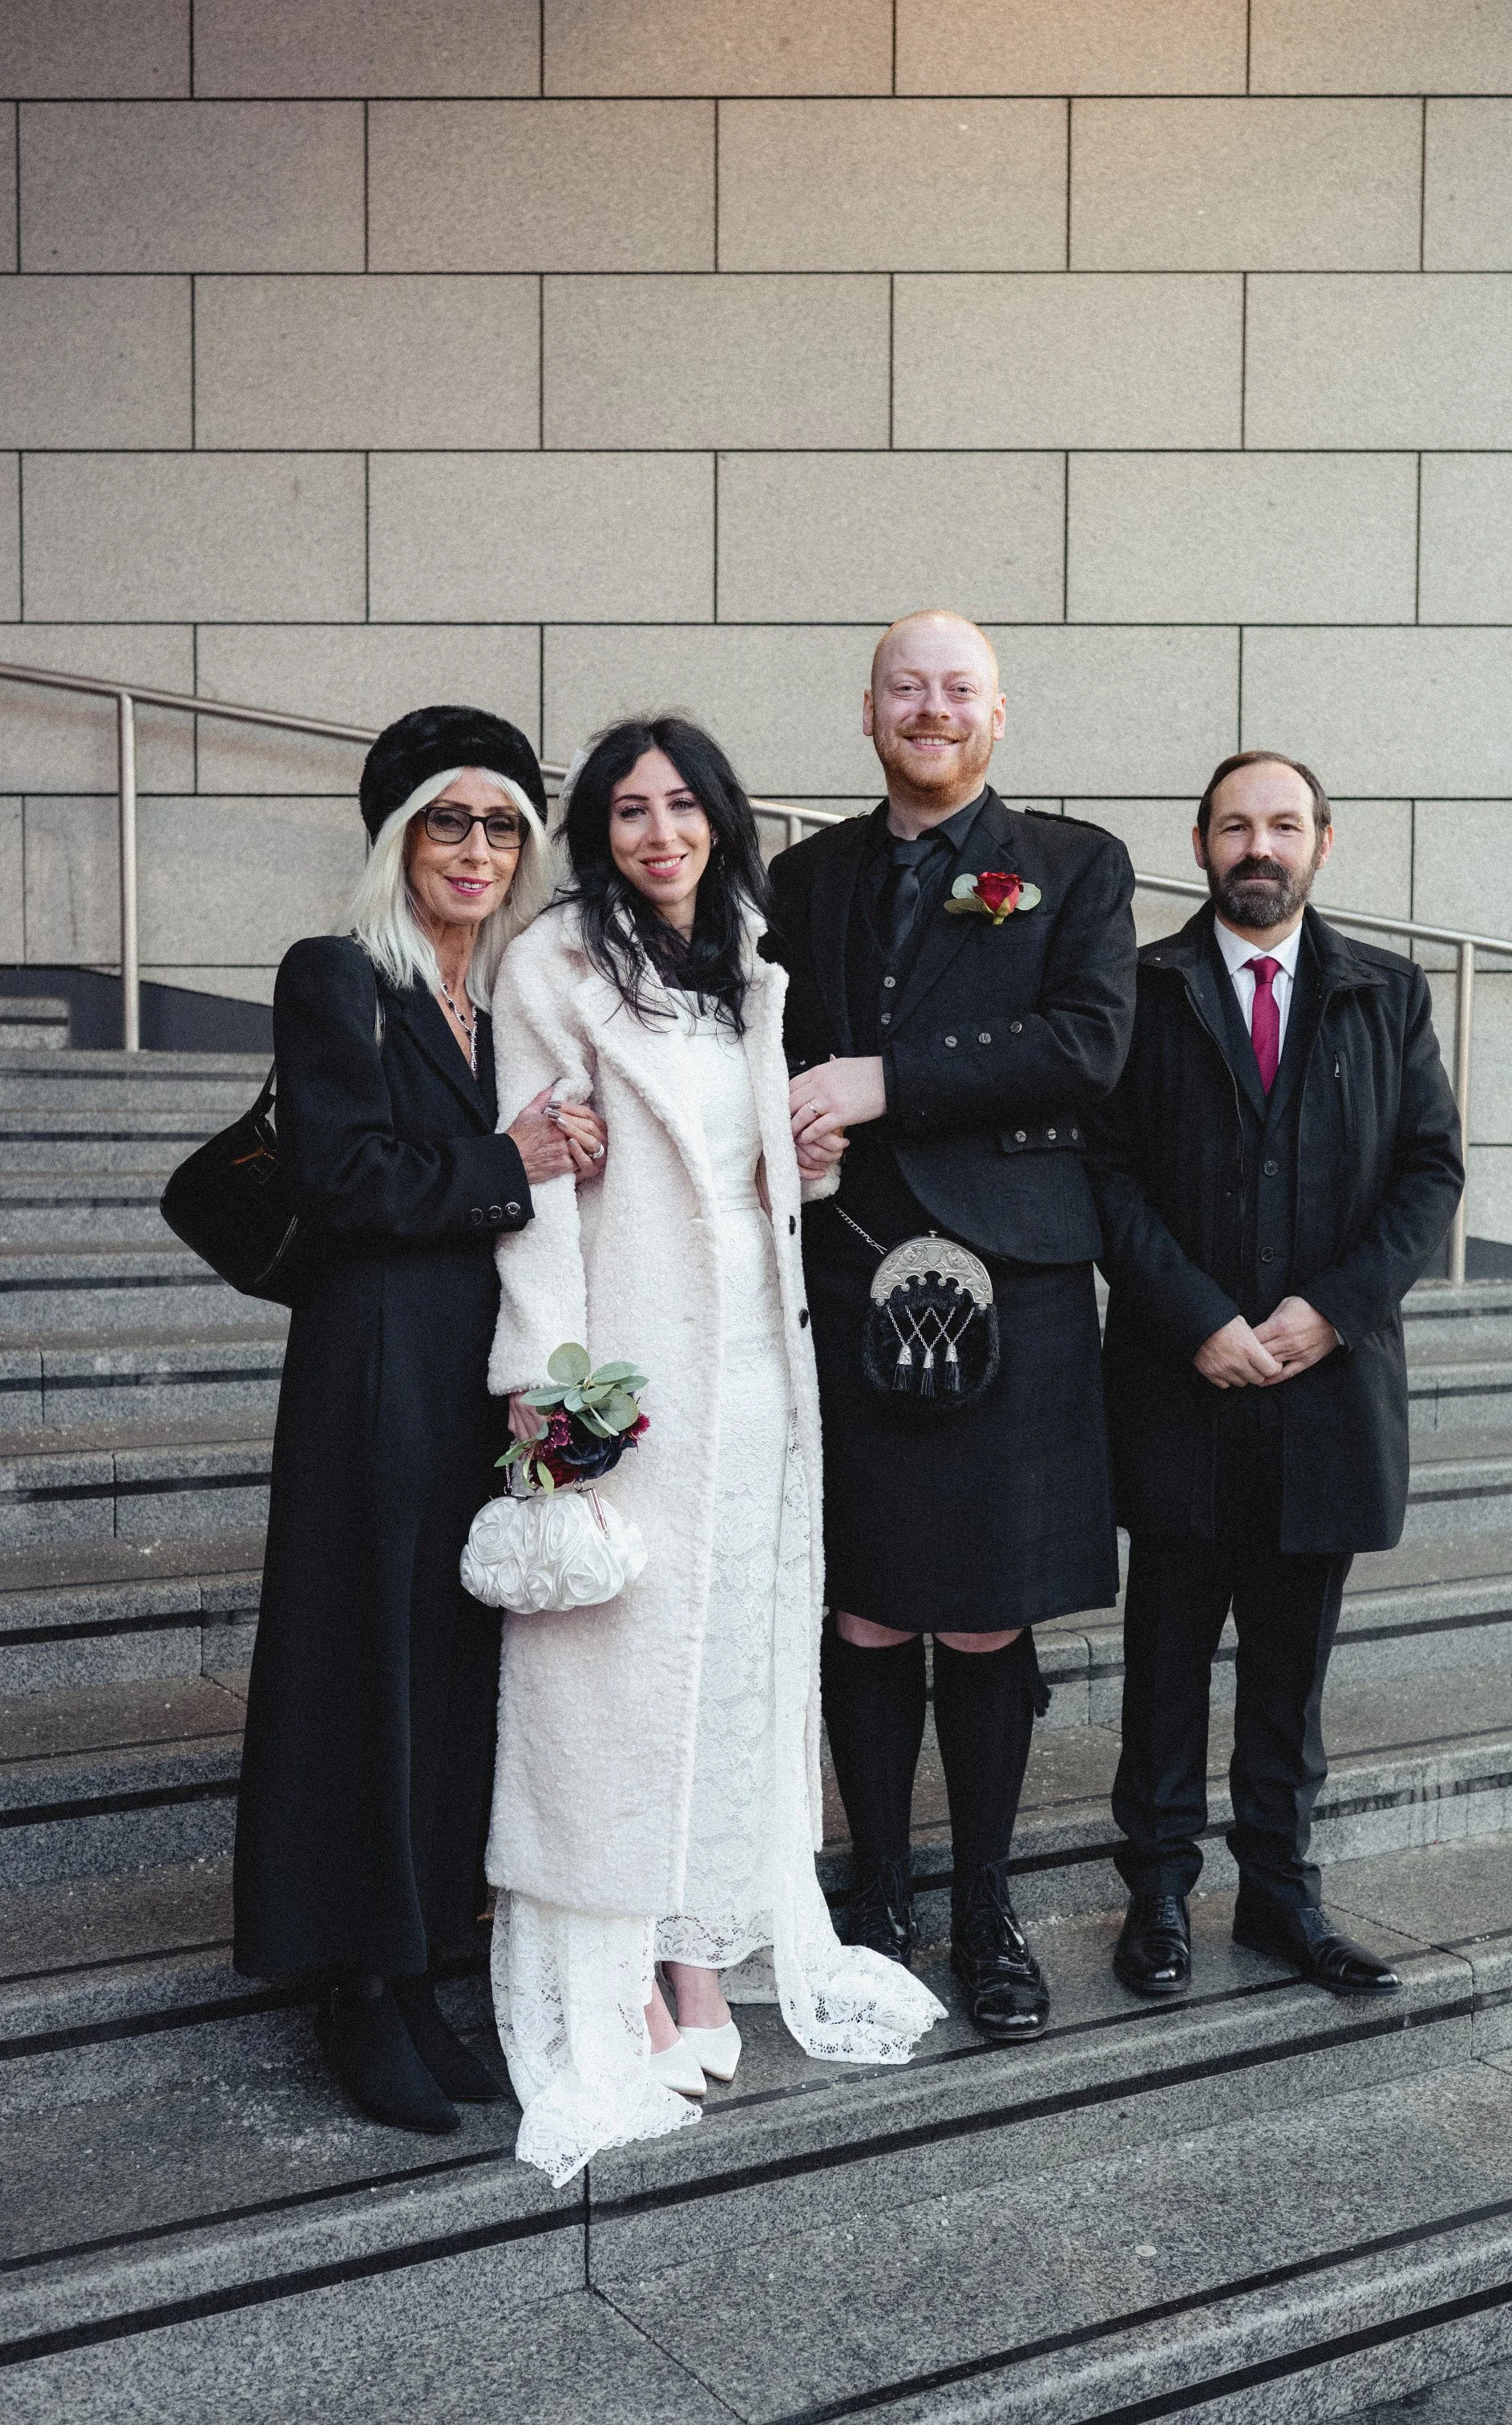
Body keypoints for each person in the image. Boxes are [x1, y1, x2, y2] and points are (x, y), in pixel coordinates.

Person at [483, 714, 943, 2184]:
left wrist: (802, 1158)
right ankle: (614, 1960)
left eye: (683, 806)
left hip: (758, 1352)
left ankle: (701, 1956)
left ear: (720, 820)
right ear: (597, 833)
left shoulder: (742, 954)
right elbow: (537, 1180)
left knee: (737, 1652)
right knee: (622, 1669)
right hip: (630, 1350)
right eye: (628, 812)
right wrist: (546, 1380)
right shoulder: (556, 963)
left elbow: (758, 1155)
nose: (659, 834)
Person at [233, 705, 608, 2136]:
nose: (476, 848)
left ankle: (426, 1962)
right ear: (399, 839)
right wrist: (508, 1162)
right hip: (372, 1369)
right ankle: (358, 1984)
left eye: (502, 824)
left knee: (451, 1667)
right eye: (448, 822)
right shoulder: (339, 976)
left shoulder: (509, 994)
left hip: (477, 1373)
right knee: (364, 1664)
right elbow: (348, 1180)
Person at [770, 609, 1137, 2043]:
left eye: (959, 690)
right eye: (907, 688)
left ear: (1001, 714)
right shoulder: (802, 875)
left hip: (1019, 1279)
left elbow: (1089, 1043)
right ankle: (876, 1897)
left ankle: (984, 1902)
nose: (933, 709)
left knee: (985, 1618)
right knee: (861, 1604)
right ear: (867, 712)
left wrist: (883, 1082)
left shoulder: (1074, 866)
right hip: (849, 1270)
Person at [1086, 751, 1465, 2002]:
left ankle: (1279, 1898)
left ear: (1323, 844)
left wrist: (1334, 1312)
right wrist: (1195, 1316)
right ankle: (1157, 1897)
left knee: (1292, 1674)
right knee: (1166, 1659)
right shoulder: (1140, 990)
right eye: (1237, 827)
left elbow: (1429, 1176)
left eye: (1284, 826)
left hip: (1325, 1389)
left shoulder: (1387, 994)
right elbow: (1109, 1174)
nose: (1261, 848)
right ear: (1199, 846)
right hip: (1181, 1383)